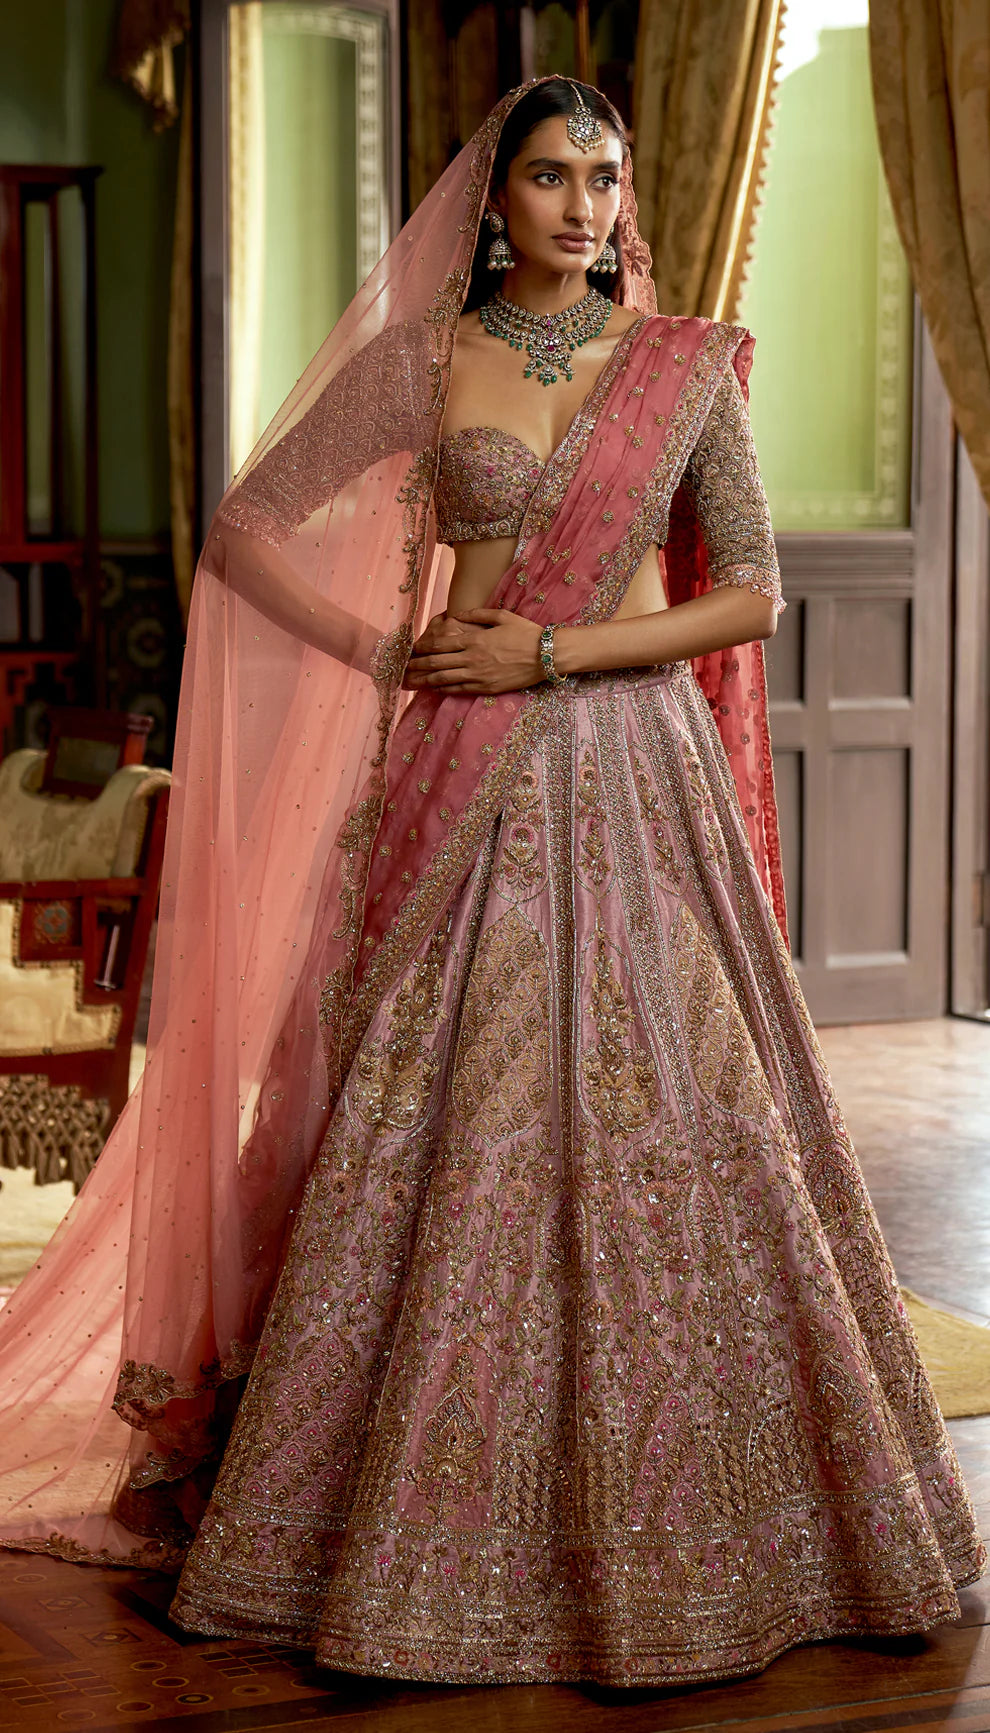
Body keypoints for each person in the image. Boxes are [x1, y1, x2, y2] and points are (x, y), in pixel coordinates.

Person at [0, 76, 983, 1690]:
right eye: (550, 178)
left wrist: (553, 648)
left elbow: (748, 595)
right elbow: (248, 523)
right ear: (492, 204)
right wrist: (387, 649)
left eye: (604, 179)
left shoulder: (684, 368)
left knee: (669, 1116)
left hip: (630, 774)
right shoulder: (424, 360)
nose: (588, 207)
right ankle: (387, 1501)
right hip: (454, 775)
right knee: (434, 1116)